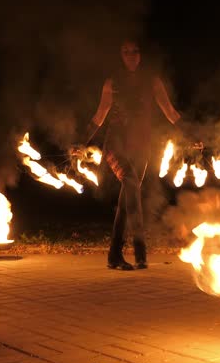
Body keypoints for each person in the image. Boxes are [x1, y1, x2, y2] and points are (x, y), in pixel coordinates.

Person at [78, 40, 198, 270]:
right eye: (126, 51)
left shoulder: (152, 82)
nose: (131, 55)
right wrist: (81, 141)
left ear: (141, 55)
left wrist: (190, 135)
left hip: (141, 146)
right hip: (117, 144)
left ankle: (114, 256)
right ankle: (140, 250)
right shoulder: (111, 83)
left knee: (127, 199)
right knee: (131, 184)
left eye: (135, 51)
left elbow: (170, 112)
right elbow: (100, 115)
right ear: (121, 56)